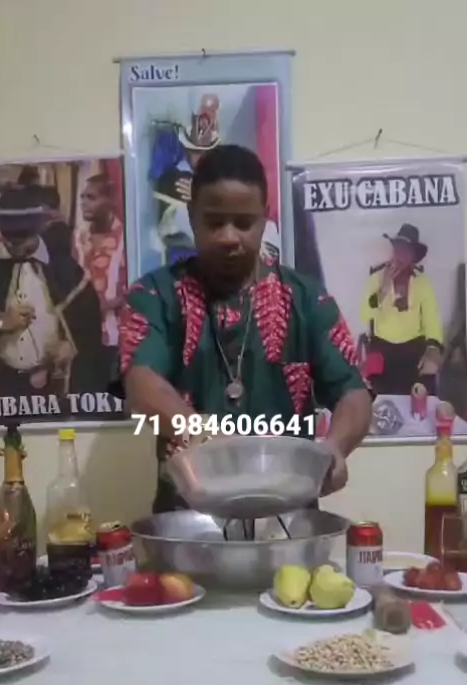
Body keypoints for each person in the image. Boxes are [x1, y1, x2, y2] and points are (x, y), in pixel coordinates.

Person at [118, 144, 372, 512]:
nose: (228, 237)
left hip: (289, 520)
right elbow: (141, 383)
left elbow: (354, 393)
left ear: (264, 219)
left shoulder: (307, 299)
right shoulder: (155, 295)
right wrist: (204, 436)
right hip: (189, 521)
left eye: (243, 222)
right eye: (214, 222)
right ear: (191, 216)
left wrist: (335, 448)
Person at [0, 185, 103, 407]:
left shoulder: (66, 269)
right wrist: (0, 321)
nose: (13, 244)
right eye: (7, 236)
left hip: (51, 387)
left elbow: (89, 328)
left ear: (38, 228)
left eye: (22, 237)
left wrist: (71, 347)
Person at [149, 96, 280, 267]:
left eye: (204, 151)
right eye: (195, 151)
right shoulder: (174, 178)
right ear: (187, 149)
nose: (198, 158)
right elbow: (183, 223)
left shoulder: (222, 174)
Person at [359, 224, 443, 396]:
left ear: (414, 257)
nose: (400, 255)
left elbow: (432, 320)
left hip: (413, 347)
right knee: (380, 396)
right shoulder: (376, 279)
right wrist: (383, 291)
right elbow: (365, 314)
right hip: (382, 346)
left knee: (422, 388)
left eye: (406, 251)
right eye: (397, 249)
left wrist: (433, 349)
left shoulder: (422, 282)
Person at [74, 174, 126, 380]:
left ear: (110, 200)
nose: (84, 203)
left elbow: (137, 287)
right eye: (82, 197)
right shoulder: (78, 237)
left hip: (117, 337)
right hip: (82, 338)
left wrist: (108, 304)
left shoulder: (126, 238)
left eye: (91, 197)